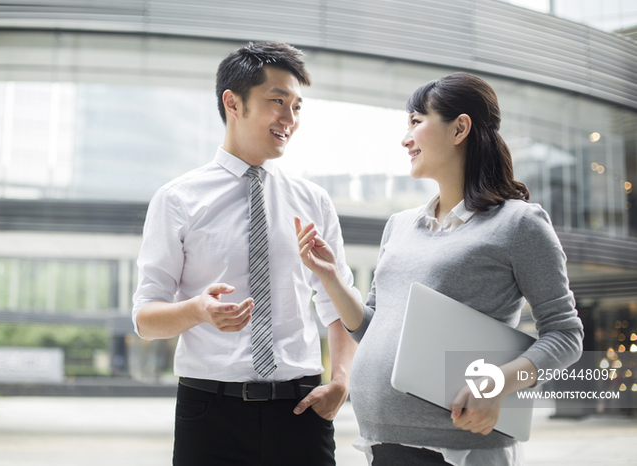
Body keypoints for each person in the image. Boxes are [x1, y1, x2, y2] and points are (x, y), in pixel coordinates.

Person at [295, 72, 584, 466]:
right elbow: (372, 327)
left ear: (460, 128)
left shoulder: (519, 224)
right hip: (382, 443)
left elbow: (565, 335)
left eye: (416, 122)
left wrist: (499, 384)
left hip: (462, 449)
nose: (405, 138)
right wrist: (330, 277)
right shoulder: (399, 225)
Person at [131, 42, 359, 466]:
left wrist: (342, 380)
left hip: (301, 409)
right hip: (210, 413)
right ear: (232, 102)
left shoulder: (314, 201)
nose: (289, 119)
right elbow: (145, 318)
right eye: (277, 102)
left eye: (297, 107)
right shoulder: (177, 199)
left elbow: (337, 304)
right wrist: (198, 310)